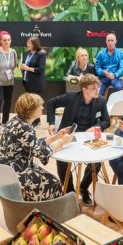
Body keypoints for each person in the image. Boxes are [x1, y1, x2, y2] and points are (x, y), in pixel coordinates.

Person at [0, 93, 74, 202]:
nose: (42, 107)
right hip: (14, 171)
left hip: (5, 166)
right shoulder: (25, 128)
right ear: (30, 109)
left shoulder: (16, 121)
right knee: (53, 182)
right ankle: (46, 211)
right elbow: (41, 153)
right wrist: (62, 142)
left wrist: (56, 136)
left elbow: (32, 144)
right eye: (39, 106)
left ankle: (35, 206)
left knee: (52, 180)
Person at [45, 74, 110, 207]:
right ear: (84, 89)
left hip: (88, 137)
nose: (97, 90)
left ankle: (84, 188)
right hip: (69, 135)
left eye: (98, 87)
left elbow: (106, 121)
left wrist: (96, 127)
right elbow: (50, 104)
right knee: (62, 161)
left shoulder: (101, 101)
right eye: (93, 88)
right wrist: (51, 123)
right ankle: (69, 191)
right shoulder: (70, 97)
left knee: (97, 162)